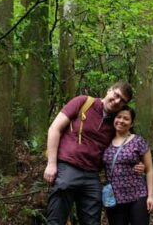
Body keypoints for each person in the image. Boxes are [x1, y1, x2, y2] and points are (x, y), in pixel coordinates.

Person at [43, 81, 137, 225]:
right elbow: (54, 128)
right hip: (68, 167)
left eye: (122, 100)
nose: (117, 101)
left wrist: (140, 164)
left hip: (92, 175)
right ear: (109, 90)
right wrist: (51, 163)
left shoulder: (117, 122)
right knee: (56, 220)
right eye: (116, 95)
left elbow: (128, 146)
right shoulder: (83, 102)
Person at [103, 106, 153, 225]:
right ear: (114, 119)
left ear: (131, 124)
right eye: (118, 117)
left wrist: (151, 196)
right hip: (114, 198)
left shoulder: (138, 141)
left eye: (126, 119)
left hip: (137, 195)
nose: (121, 121)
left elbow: (149, 170)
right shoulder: (105, 141)